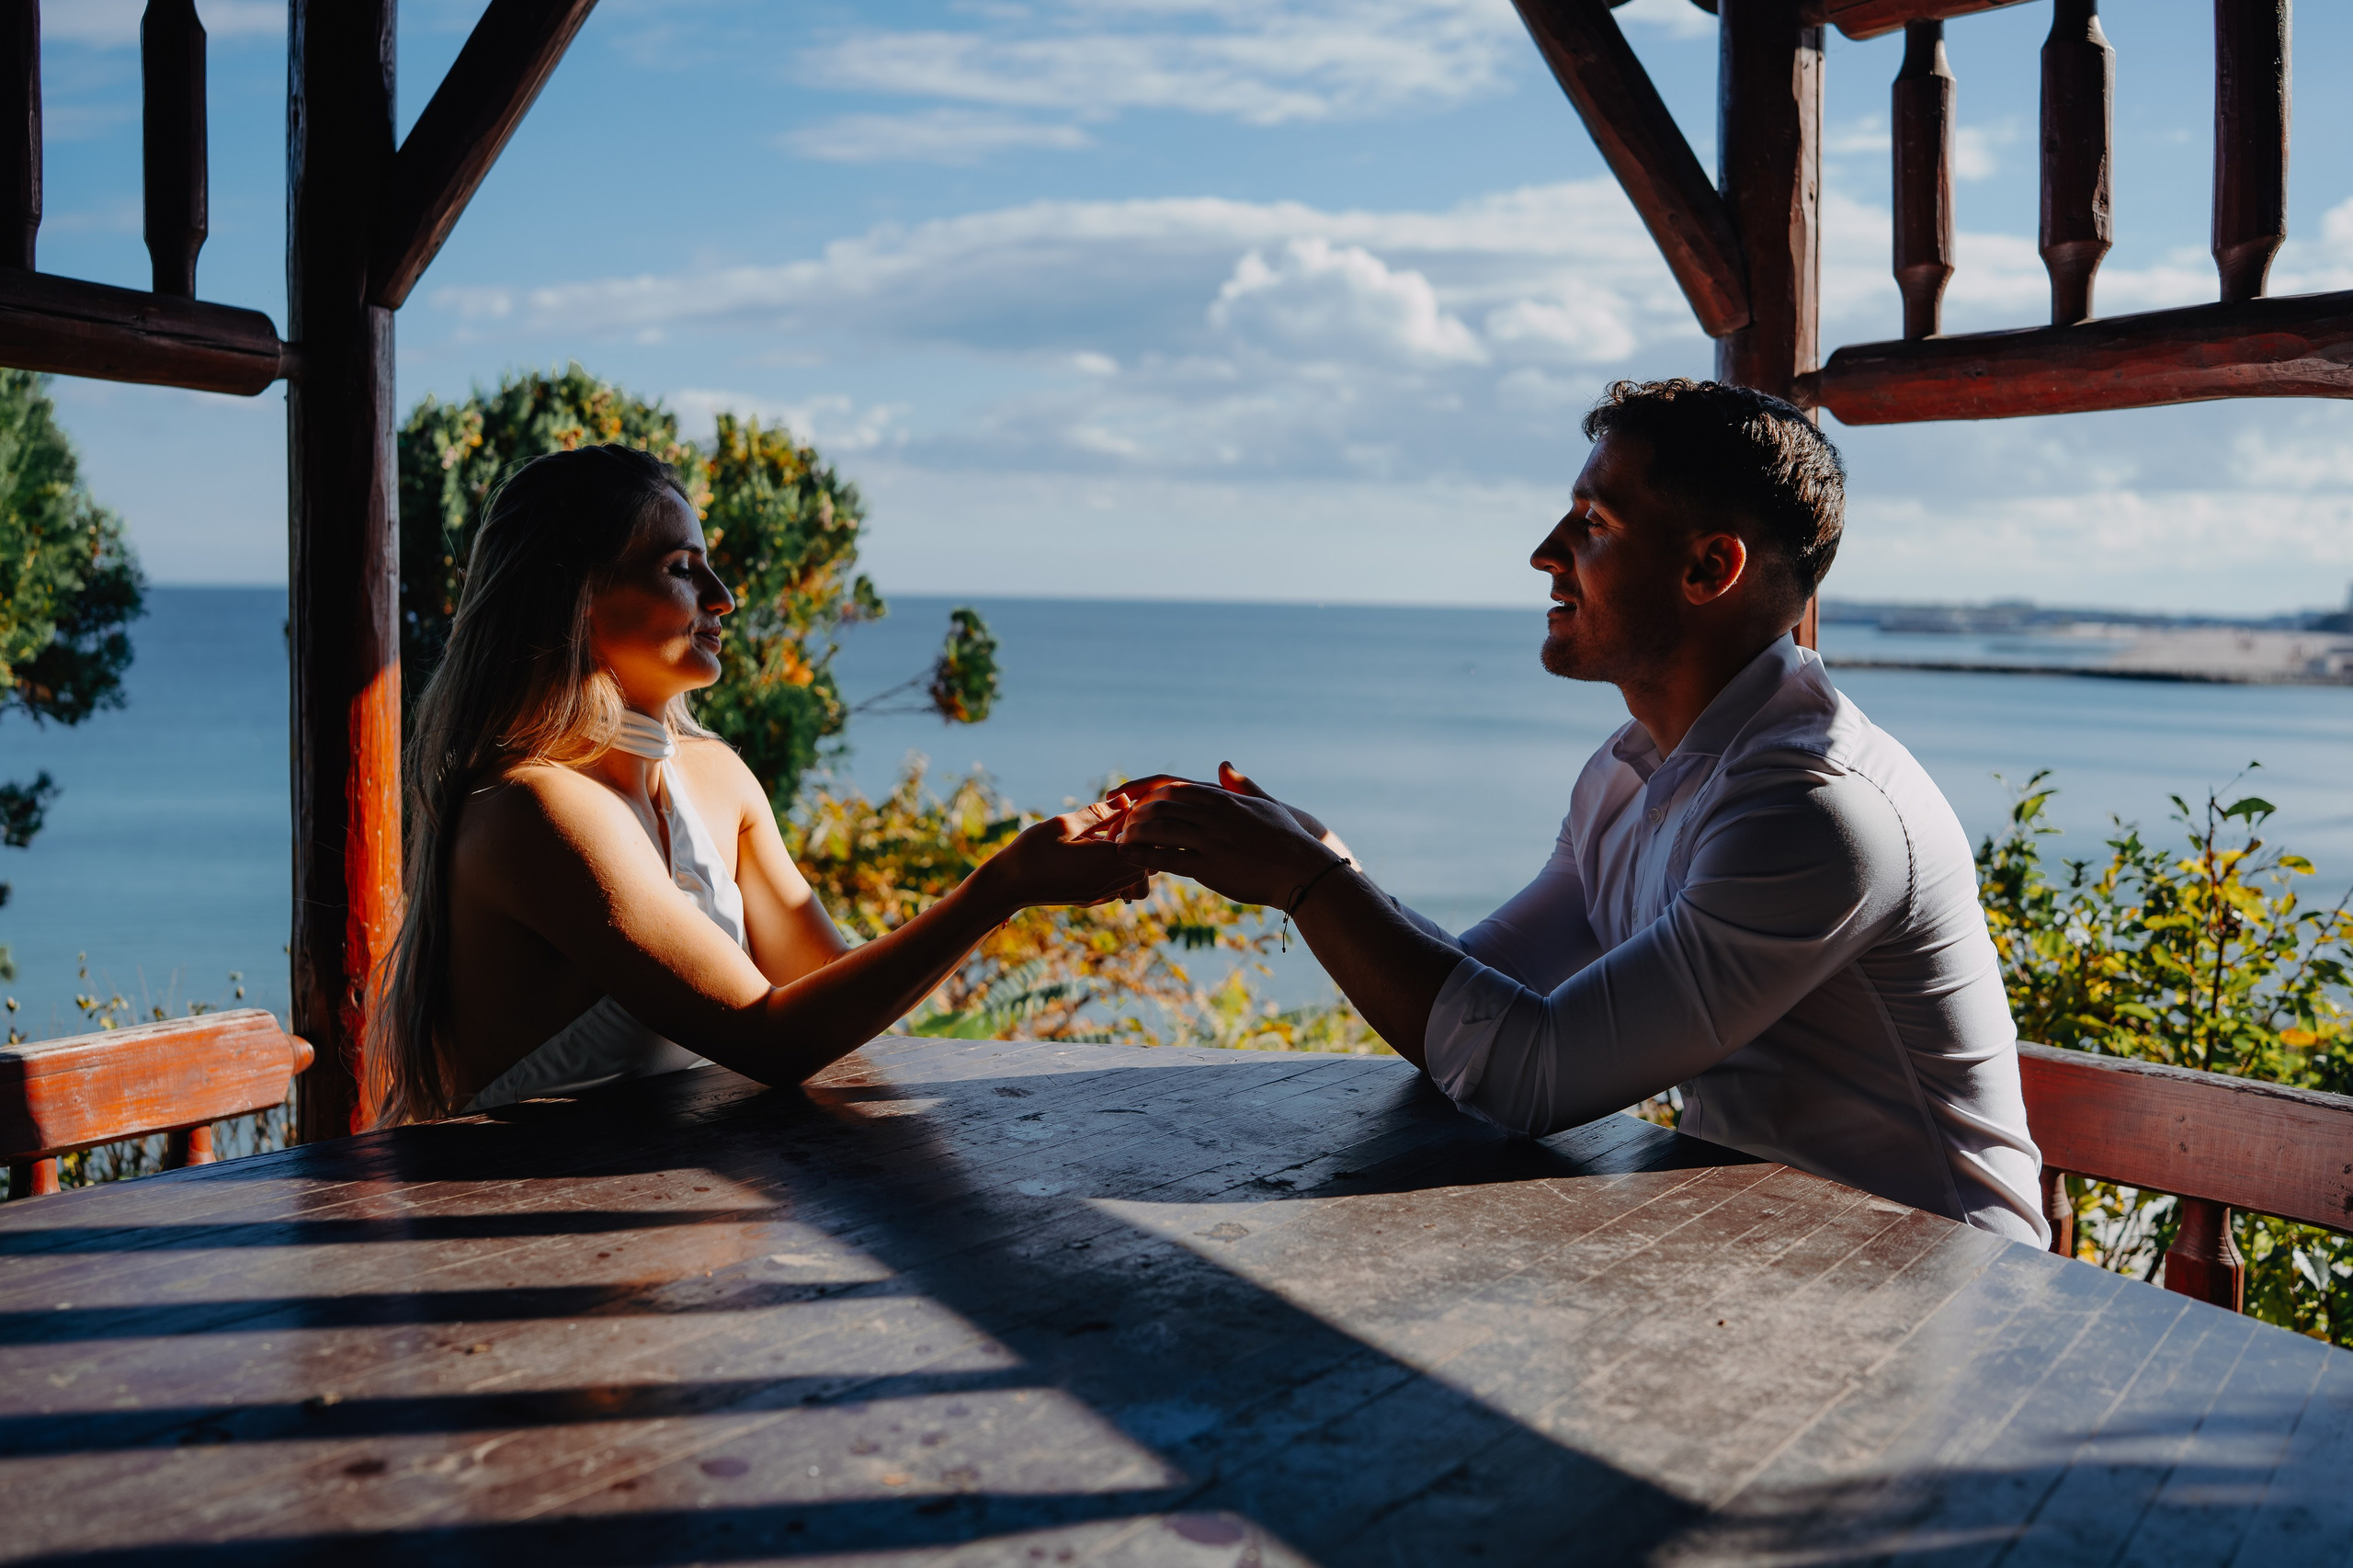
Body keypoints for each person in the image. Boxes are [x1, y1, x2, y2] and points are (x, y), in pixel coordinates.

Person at [1112, 379, 2048, 1244]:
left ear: (1709, 566)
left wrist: (1305, 882)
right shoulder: (1631, 772)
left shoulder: (1815, 808)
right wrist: (1327, 865)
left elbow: (1529, 1075)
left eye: (1592, 523)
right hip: (1763, 1255)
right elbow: (1481, 998)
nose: (1544, 555)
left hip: (1943, 1293)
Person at [369, 445, 1144, 1126]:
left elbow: (830, 1000)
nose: (723, 597)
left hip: (701, 1216)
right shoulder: (535, 808)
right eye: (681, 569)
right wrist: (1003, 886)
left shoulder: (714, 775)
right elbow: (771, 1039)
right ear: (577, 598)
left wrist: (1026, 879)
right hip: (515, 1241)